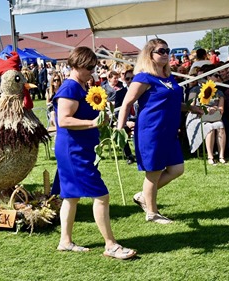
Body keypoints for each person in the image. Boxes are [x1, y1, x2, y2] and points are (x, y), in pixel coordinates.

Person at [52, 46, 136, 260]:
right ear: (76, 65)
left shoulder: (80, 86)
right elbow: (63, 119)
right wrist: (93, 122)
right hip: (73, 151)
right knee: (101, 195)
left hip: (78, 149)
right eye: (89, 67)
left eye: (94, 66)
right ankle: (111, 245)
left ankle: (65, 241)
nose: (93, 70)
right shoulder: (70, 87)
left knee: (71, 197)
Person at [117, 38, 203, 224]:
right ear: (150, 55)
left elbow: (169, 102)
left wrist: (190, 108)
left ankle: (142, 197)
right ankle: (152, 213)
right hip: (152, 132)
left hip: (169, 131)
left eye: (167, 50)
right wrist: (120, 128)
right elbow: (126, 104)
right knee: (154, 172)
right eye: (161, 51)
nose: (165, 54)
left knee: (177, 169)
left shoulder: (168, 78)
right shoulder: (143, 77)